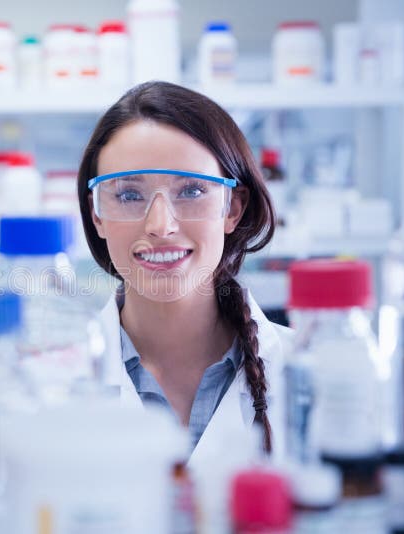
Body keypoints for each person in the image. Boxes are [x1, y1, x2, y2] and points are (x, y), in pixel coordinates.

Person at [77, 82, 293, 466]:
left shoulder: (307, 373)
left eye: (191, 191)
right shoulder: (53, 384)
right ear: (97, 215)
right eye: (129, 195)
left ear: (233, 209)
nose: (161, 225)